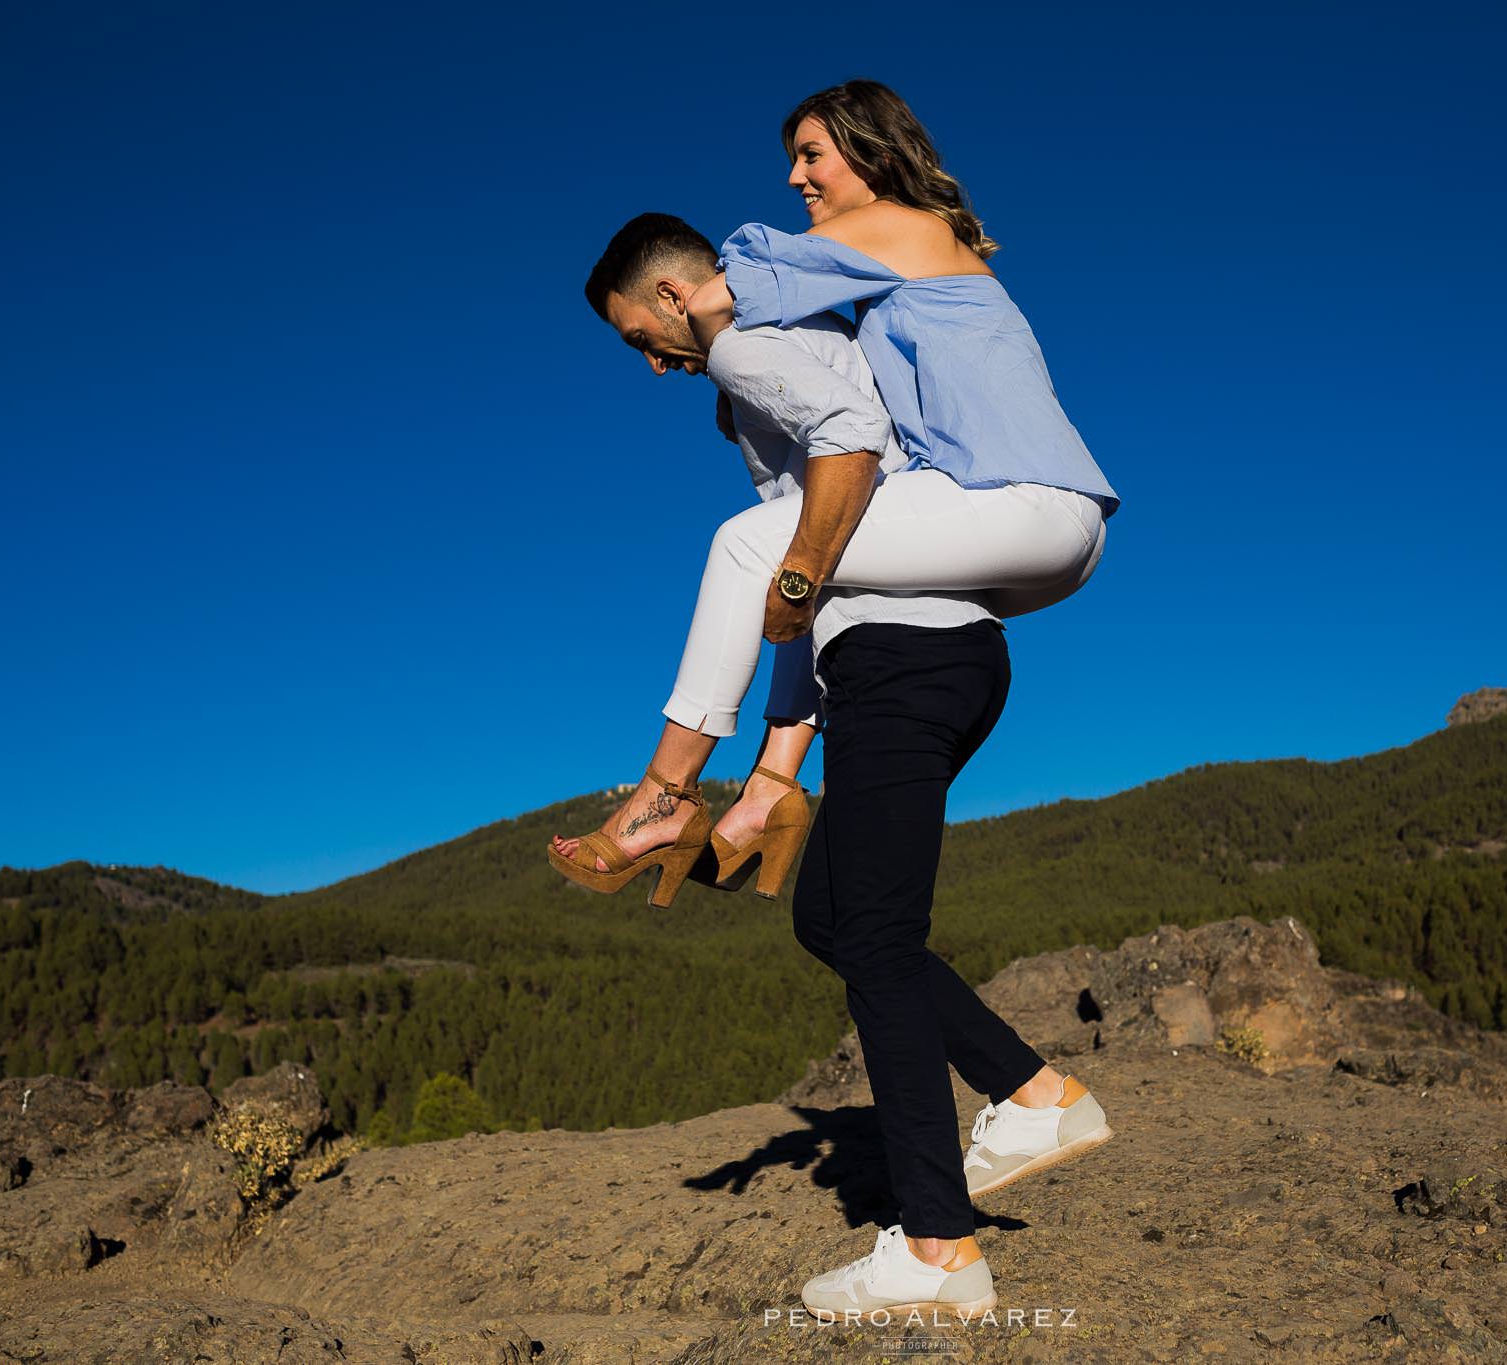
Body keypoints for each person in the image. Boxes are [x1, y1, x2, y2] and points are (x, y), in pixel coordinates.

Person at [560, 79, 1119, 1319]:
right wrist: (776, 777)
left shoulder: (898, 240)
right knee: (835, 921)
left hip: (1016, 529)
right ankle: (1030, 1098)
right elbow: (818, 555)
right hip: (956, 593)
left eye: (811, 154)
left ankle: (936, 1251)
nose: (797, 176)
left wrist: (704, 306)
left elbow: (757, 304)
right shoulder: (855, 317)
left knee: (741, 551)